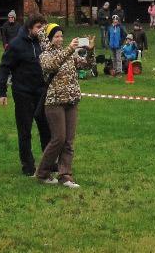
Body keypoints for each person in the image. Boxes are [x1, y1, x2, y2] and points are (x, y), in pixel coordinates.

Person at [0, 13, 52, 176]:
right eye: (38, 27)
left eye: (43, 27)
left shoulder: (44, 43)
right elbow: (4, 67)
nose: (41, 30)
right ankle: (28, 166)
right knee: (25, 131)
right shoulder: (16, 44)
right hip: (23, 93)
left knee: (46, 129)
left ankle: (48, 164)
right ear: (29, 27)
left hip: (41, 92)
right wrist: (2, 92)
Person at [35, 23, 91, 188]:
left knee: (68, 141)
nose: (60, 39)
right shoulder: (45, 55)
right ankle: (42, 172)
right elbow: (51, 65)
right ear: (49, 39)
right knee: (58, 139)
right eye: (56, 36)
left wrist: (90, 51)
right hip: (54, 103)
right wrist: (69, 49)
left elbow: (86, 65)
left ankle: (65, 175)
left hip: (71, 101)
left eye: (61, 35)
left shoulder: (69, 53)